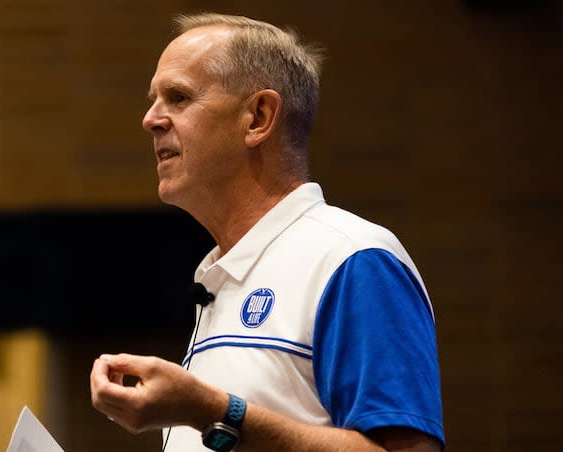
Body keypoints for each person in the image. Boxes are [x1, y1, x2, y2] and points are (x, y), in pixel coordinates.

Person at [90, 12, 444, 452]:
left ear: (258, 117)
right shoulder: (222, 275)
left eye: (178, 97)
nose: (150, 119)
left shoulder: (351, 258)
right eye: (154, 99)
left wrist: (215, 412)